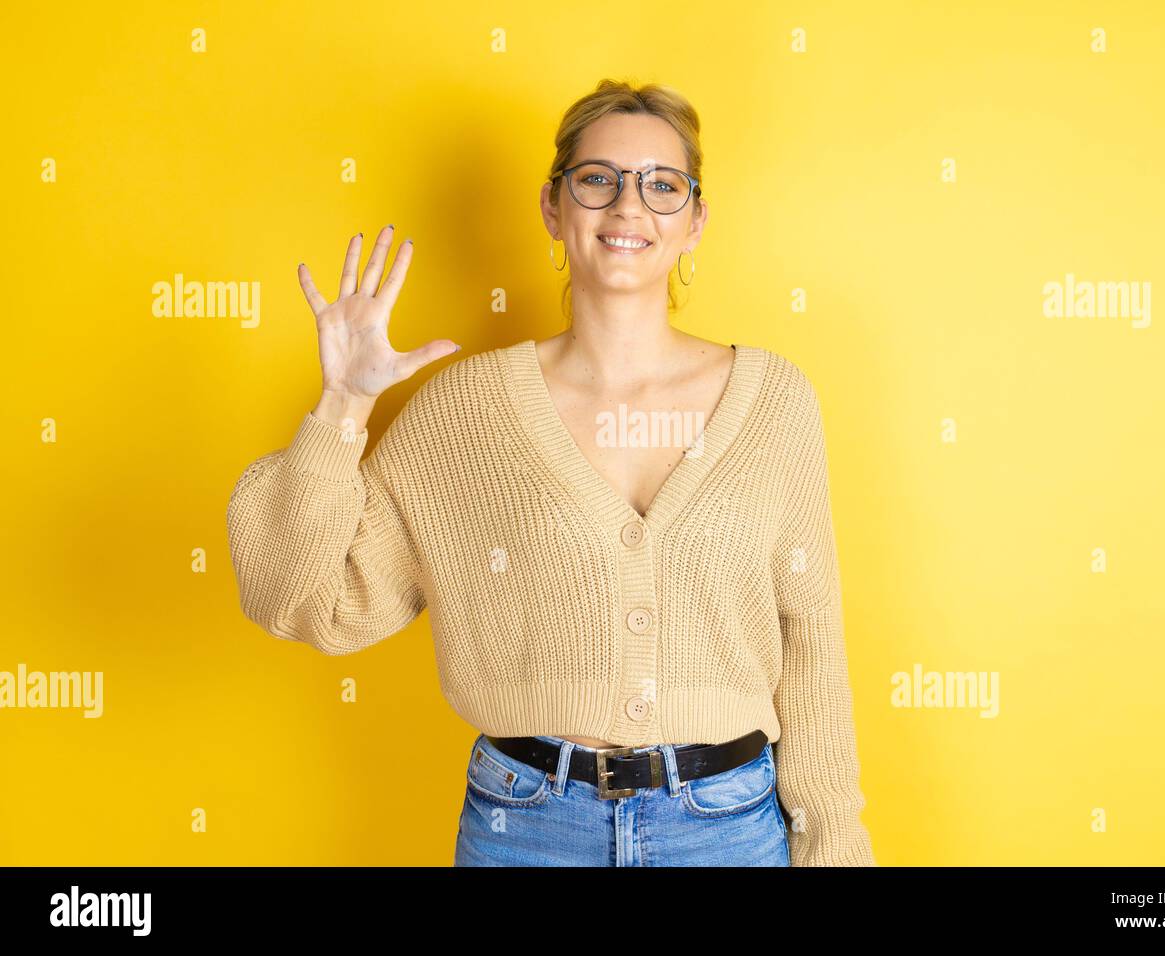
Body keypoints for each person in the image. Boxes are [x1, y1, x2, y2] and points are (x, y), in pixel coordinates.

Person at [226, 78, 877, 866]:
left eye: (662, 186)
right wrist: (342, 406)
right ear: (553, 208)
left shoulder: (776, 402)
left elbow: (811, 644)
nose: (628, 207)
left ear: (695, 222)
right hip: (526, 829)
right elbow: (298, 600)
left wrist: (835, 845)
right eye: (598, 179)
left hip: (729, 828)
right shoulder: (466, 411)